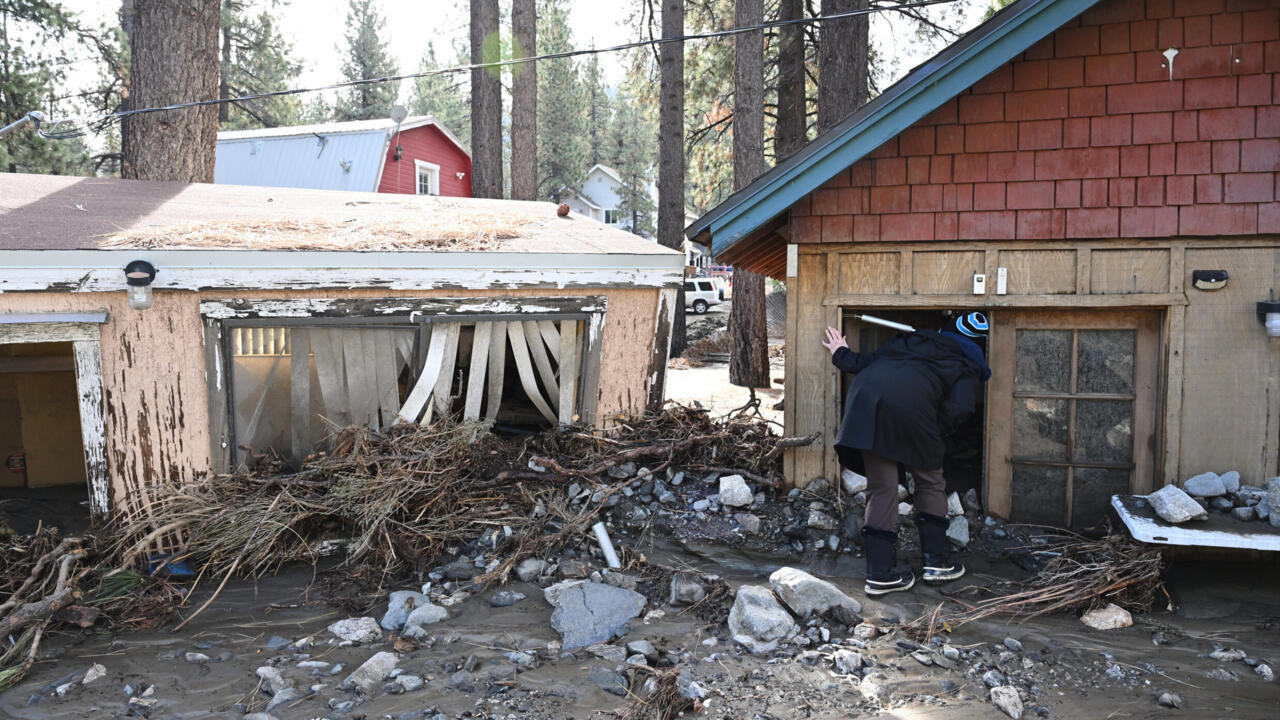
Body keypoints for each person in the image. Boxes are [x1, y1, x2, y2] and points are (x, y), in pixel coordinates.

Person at [821, 312, 992, 596]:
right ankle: (936, 564)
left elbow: (861, 363)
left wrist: (840, 352)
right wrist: (935, 430)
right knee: (931, 482)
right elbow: (961, 408)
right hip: (915, 411)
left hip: (866, 404)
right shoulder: (966, 363)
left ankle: (879, 576)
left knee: (882, 489)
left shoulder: (906, 342)